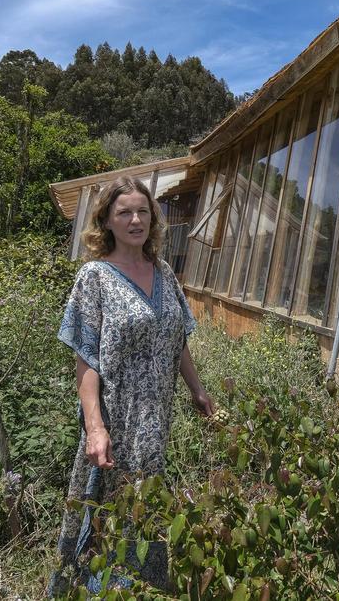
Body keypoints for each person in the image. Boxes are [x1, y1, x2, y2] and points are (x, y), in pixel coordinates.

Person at [50, 177, 214, 595]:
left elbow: (178, 342)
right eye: (124, 212)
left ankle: (145, 585)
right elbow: (85, 359)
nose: (136, 219)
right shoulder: (95, 277)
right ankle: (96, 587)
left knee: (148, 502)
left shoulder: (163, 272)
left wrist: (197, 390)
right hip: (116, 421)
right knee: (110, 502)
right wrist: (95, 427)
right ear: (106, 220)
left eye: (143, 211)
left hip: (157, 420)